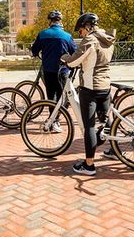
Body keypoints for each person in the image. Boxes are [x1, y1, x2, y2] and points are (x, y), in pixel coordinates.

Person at [61, 13, 115, 176]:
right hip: (105, 85)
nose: (80, 34)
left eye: (80, 31)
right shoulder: (108, 38)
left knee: (89, 127)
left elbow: (74, 61)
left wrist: (64, 58)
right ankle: (114, 149)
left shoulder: (90, 40)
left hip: (90, 88)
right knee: (106, 121)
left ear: (86, 27)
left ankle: (89, 165)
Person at [31, 10, 77, 132]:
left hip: (48, 70)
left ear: (50, 21)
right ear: (59, 21)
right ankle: (57, 120)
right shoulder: (67, 36)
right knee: (63, 96)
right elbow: (74, 52)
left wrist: (37, 52)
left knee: (51, 97)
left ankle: (52, 121)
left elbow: (34, 50)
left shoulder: (42, 34)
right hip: (63, 71)